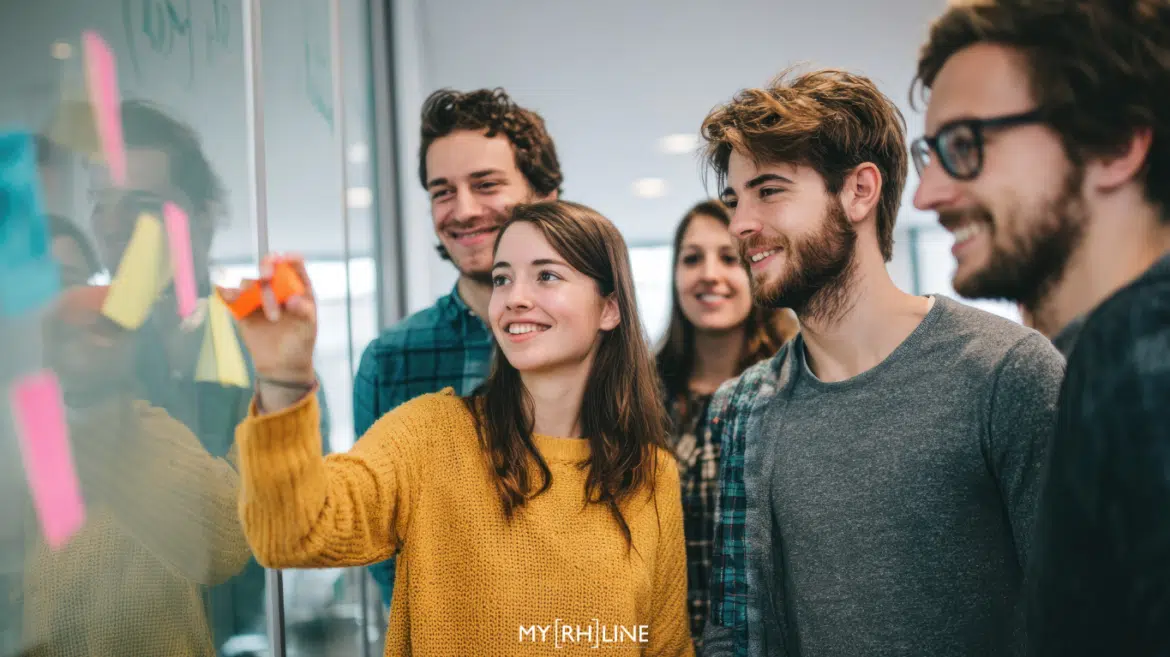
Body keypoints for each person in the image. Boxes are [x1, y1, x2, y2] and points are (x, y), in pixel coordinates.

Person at [697, 69, 1066, 657]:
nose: (741, 223)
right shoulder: (742, 408)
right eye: (734, 199)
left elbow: (1084, 612)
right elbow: (731, 627)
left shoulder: (1006, 372)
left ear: (859, 191)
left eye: (769, 190)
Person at [226, 201, 692, 657]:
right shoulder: (430, 435)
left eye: (546, 275)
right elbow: (292, 534)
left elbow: (667, 648)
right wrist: (283, 380)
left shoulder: (651, 474)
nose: (514, 298)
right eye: (502, 278)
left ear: (609, 309)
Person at [911, 1, 1170, 654]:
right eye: (930, 154)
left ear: (1114, 141)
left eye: (965, 146)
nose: (928, 194)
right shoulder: (1107, 352)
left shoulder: (1138, 355)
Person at [85, 100, 330, 652]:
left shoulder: (265, 344)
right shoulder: (82, 352)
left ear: (203, 215)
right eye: (102, 204)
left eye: (142, 205)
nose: (114, 228)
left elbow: (294, 517)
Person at [353, 88, 563, 607]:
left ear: (545, 197)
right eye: (442, 191)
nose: (463, 210)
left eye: (486, 184)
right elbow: (378, 540)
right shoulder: (390, 359)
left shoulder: (601, 344)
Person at [655, 200, 797, 653]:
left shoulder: (797, 384)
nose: (709, 274)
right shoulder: (639, 396)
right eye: (692, 258)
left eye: (730, 257)